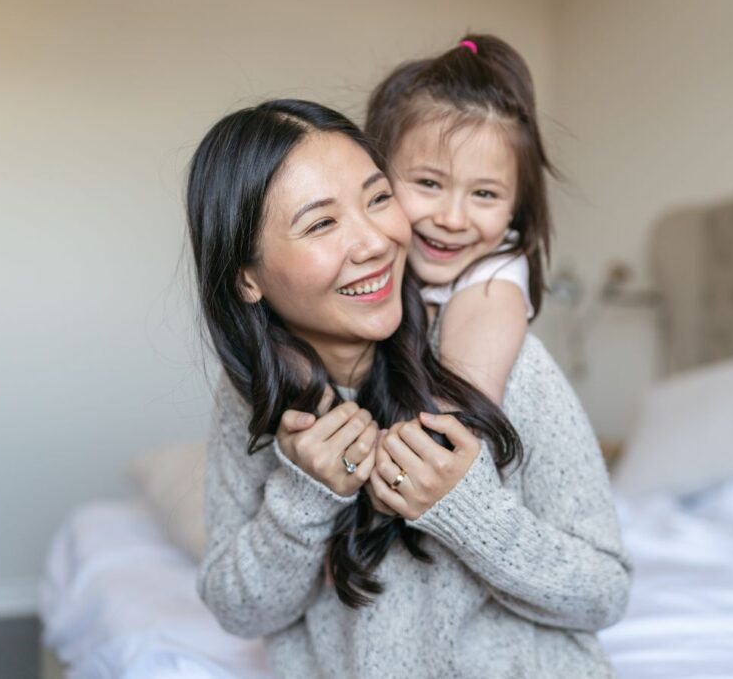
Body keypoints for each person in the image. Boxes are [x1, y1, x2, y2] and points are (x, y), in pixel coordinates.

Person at [188, 98, 631, 678]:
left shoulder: (504, 362)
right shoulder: (252, 395)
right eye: (322, 223)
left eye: (377, 199)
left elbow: (604, 594)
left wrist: (466, 509)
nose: (374, 241)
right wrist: (304, 498)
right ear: (246, 276)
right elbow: (240, 613)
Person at [365, 33, 554, 405]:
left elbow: (453, 429)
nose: (452, 220)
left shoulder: (494, 284)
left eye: (484, 194)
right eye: (429, 183)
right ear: (377, 175)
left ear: (516, 205)